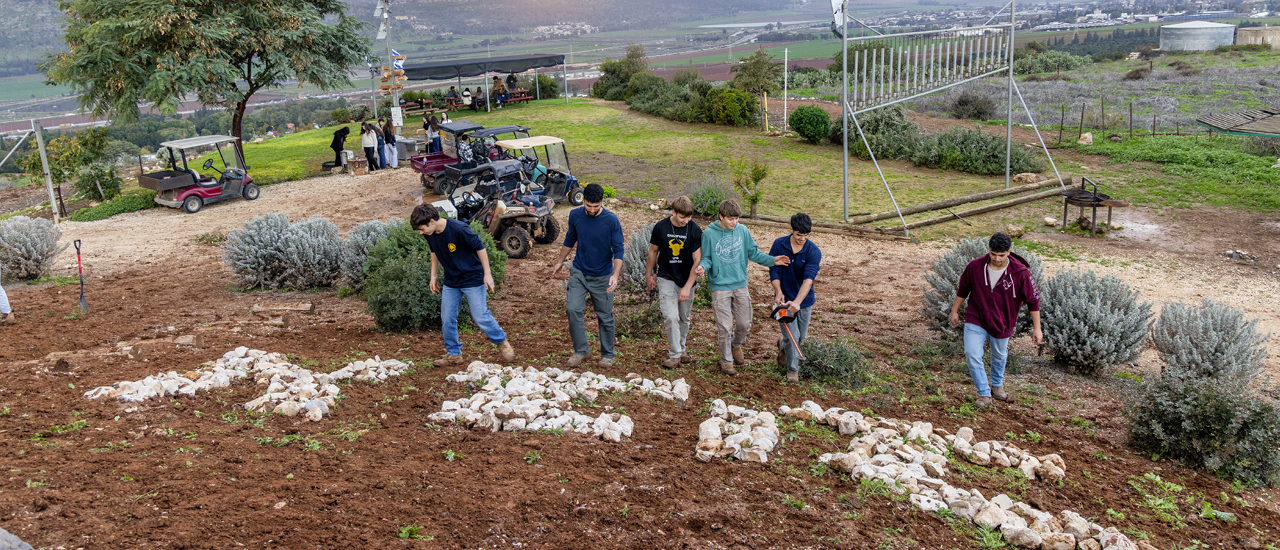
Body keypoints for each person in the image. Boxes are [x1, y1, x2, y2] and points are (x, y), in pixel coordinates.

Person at [410, 204, 516, 367]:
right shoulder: (429, 233)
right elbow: (434, 251)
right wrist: (433, 275)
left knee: (480, 316)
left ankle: (502, 342)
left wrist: (487, 274)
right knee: (447, 318)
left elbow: (480, 248)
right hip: (451, 281)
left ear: (431, 221)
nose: (421, 233)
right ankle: (453, 354)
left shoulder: (459, 229)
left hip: (472, 278)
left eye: (422, 229)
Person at [949, 232, 1043, 408]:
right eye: (993, 254)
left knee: (999, 355)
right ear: (989, 250)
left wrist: (1037, 328)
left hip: (1003, 320)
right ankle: (984, 393)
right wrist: (955, 310)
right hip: (976, 316)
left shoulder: (1021, 273)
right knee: (972, 354)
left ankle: (997, 385)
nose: (997, 259)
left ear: (1009, 252)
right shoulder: (975, 266)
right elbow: (963, 289)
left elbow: (1033, 300)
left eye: (1001, 255)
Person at [697, 199, 790, 374]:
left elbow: (753, 253)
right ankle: (726, 361)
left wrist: (772, 260)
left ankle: (736, 345)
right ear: (721, 216)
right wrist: (703, 267)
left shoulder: (742, 231)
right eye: (731, 219)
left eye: (737, 219)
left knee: (744, 323)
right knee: (724, 326)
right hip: (719, 286)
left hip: (740, 284)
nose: (734, 222)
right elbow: (707, 257)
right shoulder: (709, 234)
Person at [550, 183, 624, 369]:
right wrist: (560, 261)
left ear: (602, 203)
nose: (591, 210)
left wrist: (615, 274)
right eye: (588, 206)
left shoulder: (611, 221)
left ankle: (608, 354)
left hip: (603, 276)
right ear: (583, 200)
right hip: (579, 272)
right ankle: (581, 350)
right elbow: (570, 238)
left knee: (604, 316)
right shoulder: (575, 215)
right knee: (573, 309)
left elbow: (619, 249)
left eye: (595, 207)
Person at [645, 196, 702, 369]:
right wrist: (648, 275)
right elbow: (653, 252)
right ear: (674, 212)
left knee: (684, 317)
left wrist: (687, 287)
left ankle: (682, 348)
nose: (686, 221)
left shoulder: (694, 230)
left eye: (689, 217)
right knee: (671, 316)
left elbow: (697, 259)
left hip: (687, 279)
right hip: (666, 276)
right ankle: (675, 354)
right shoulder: (661, 227)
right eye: (682, 217)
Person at [769, 213, 821, 383]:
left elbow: (809, 279)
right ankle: (793, 371)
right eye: (799, 235)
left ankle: (782, 346)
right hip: (783, 300)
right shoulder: (779, 244)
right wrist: (778, 291)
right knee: (793, 335)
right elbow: (774, 270)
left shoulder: (813, 251)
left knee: (801, 337)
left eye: (806, 236)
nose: (802, 239)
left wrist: (798, 302)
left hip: (804, 301)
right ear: (791, 229)